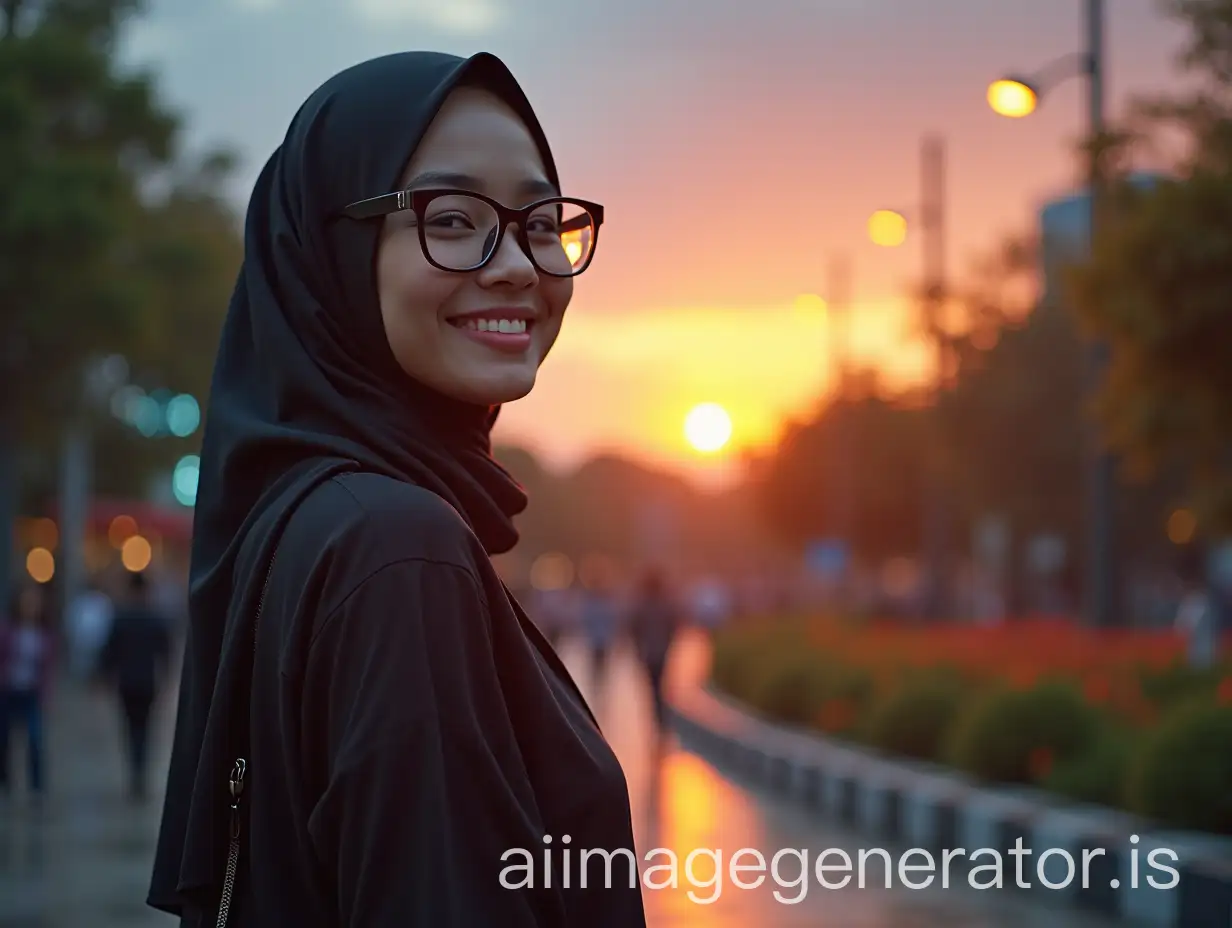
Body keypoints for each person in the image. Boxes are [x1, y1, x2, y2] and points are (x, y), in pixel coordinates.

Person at [147, 52, 646, 927]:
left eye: (541, 221)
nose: (518, 265)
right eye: (452, 220)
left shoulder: (305, 521)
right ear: (336, 253)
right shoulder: (397, 549)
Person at [99, 570, 173, 800]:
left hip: (127, 683)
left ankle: (135, 773)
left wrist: (106, 677)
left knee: (131, 730)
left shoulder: (121, 618)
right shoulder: (155, 618)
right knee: (146, 730)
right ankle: (141, 775)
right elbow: (166, 653)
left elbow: (109, 653)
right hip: (147, 682)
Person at [0, 583, 54, 803]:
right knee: (4, 740)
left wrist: (46, 693)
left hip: (31, 693)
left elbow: (48, 668)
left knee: (35, 739)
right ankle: (5, 783)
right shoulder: (8, 630)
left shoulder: (44, 634)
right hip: (8, 691)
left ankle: (36, 788)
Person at [627, 568, 683, 731]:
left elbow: (634, 630)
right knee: (660, 685)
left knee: (653, 687)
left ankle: (657, 717)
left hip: (649, 652)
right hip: (661, 651)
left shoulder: (643, 607)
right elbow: (674, 627)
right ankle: (661, 717)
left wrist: (638, 649)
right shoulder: (665, 605)